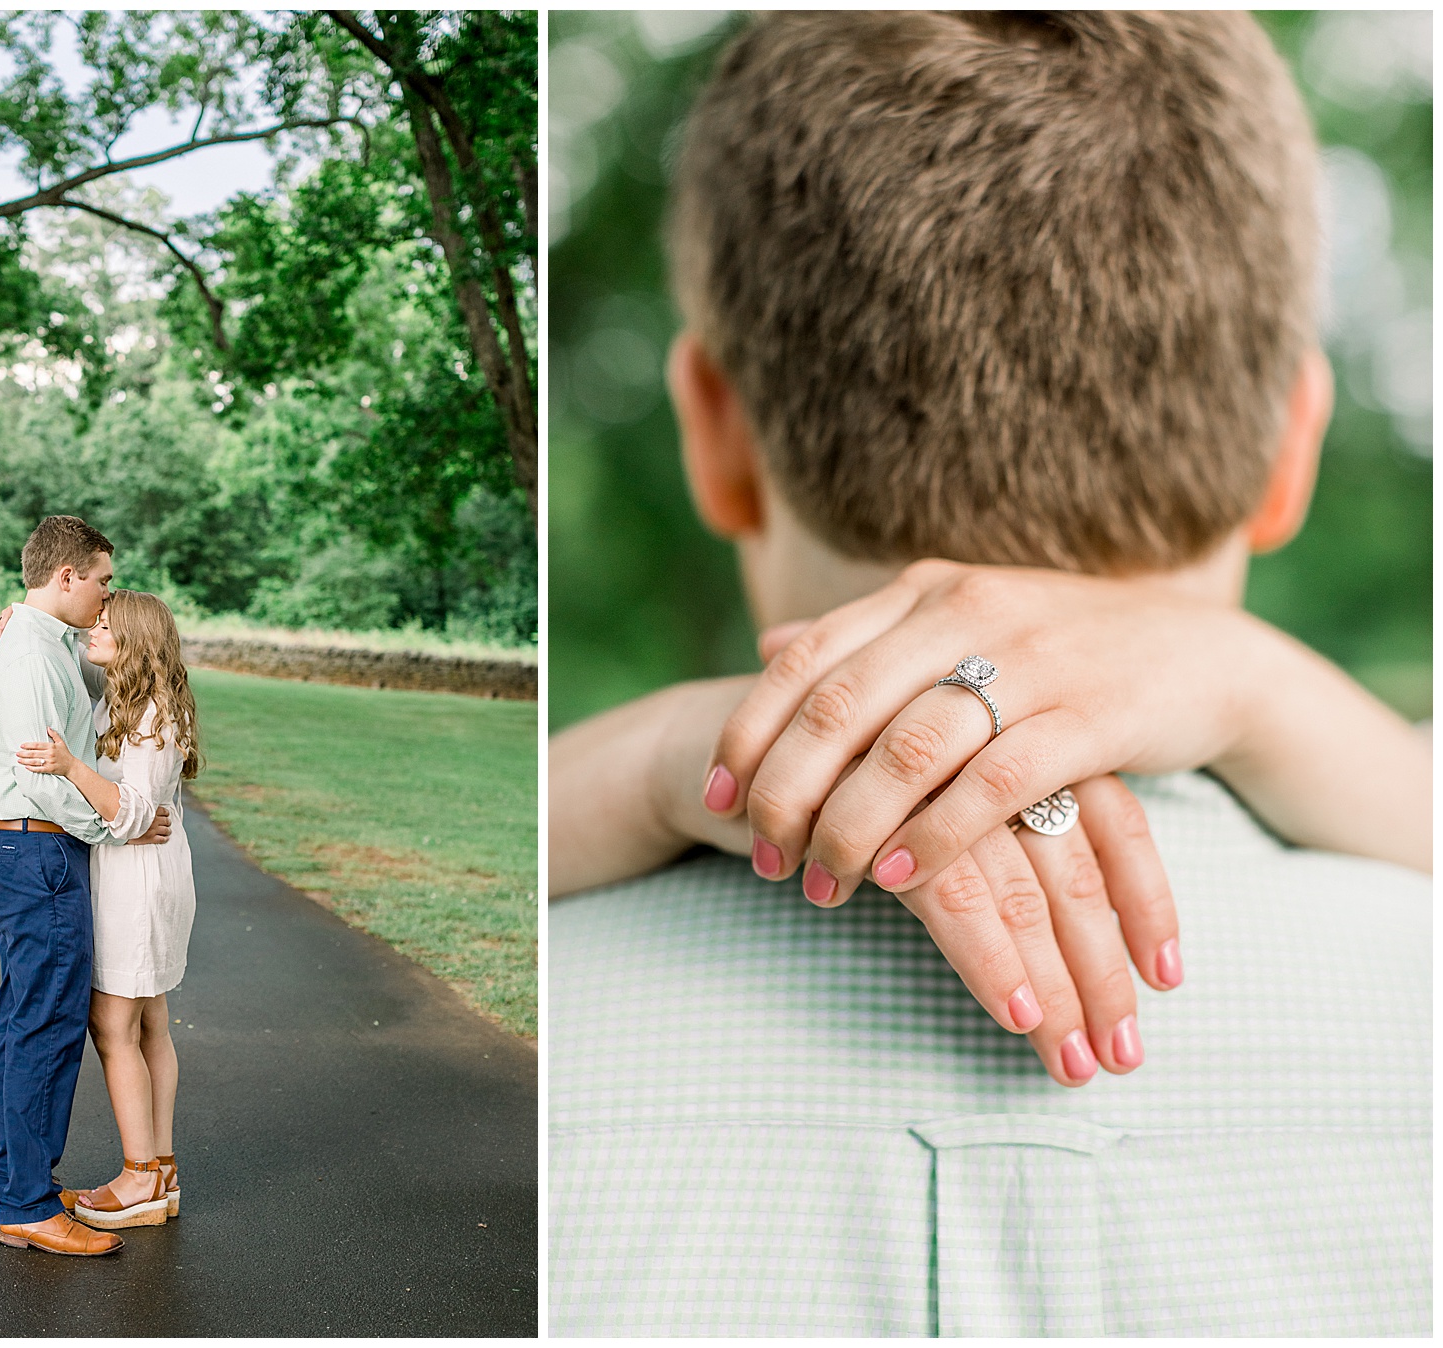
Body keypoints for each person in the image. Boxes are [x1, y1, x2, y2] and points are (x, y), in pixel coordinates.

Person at [548, 12, 1430, 1335]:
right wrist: (1262, 688)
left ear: (712, 431)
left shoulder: (546, 1049)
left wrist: (652, 763)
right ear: (1290, 449)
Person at [0, 515, 172, 1258]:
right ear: (67, 577)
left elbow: (97, 692)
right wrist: (116, 828)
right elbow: (42, 781)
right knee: (47, 1028)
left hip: (27, 849)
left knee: (26, 1020)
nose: (107, 594)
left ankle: (14, 1182)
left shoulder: (43, 643)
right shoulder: (31, 655)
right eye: (102, 580)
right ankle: (27, 1205)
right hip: (37, 849)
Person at [11, 589, 201, 1231]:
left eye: (106, 624)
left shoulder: (149, 717)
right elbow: (68, 645)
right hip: (145, 876)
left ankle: (139, 1177)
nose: (93, 626)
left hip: (136, 886)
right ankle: (161, 1169)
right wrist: (23, 618)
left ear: (134, 641)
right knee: (150, 1026)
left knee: (113, 1026)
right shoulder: (132, 696)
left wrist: (70, 766)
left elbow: (138, 812)